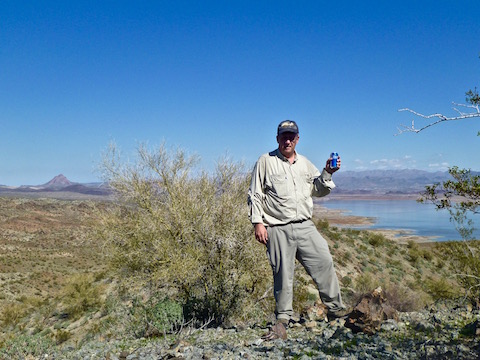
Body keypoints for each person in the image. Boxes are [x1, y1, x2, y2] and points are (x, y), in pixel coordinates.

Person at [248, 120, 347, 340]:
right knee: (283, 274)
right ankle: (283, 318)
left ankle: (336, 309)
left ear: (298, 139)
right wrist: (258, 223)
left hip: (305, 225)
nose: (288, 140)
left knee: (324, 261)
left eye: (292, 136)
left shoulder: (305, 164)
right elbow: (255, 194)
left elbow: (318, 190)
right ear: (277, 138)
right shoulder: (265, 161)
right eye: (284, 136)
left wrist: (328, 173)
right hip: (277, 227)